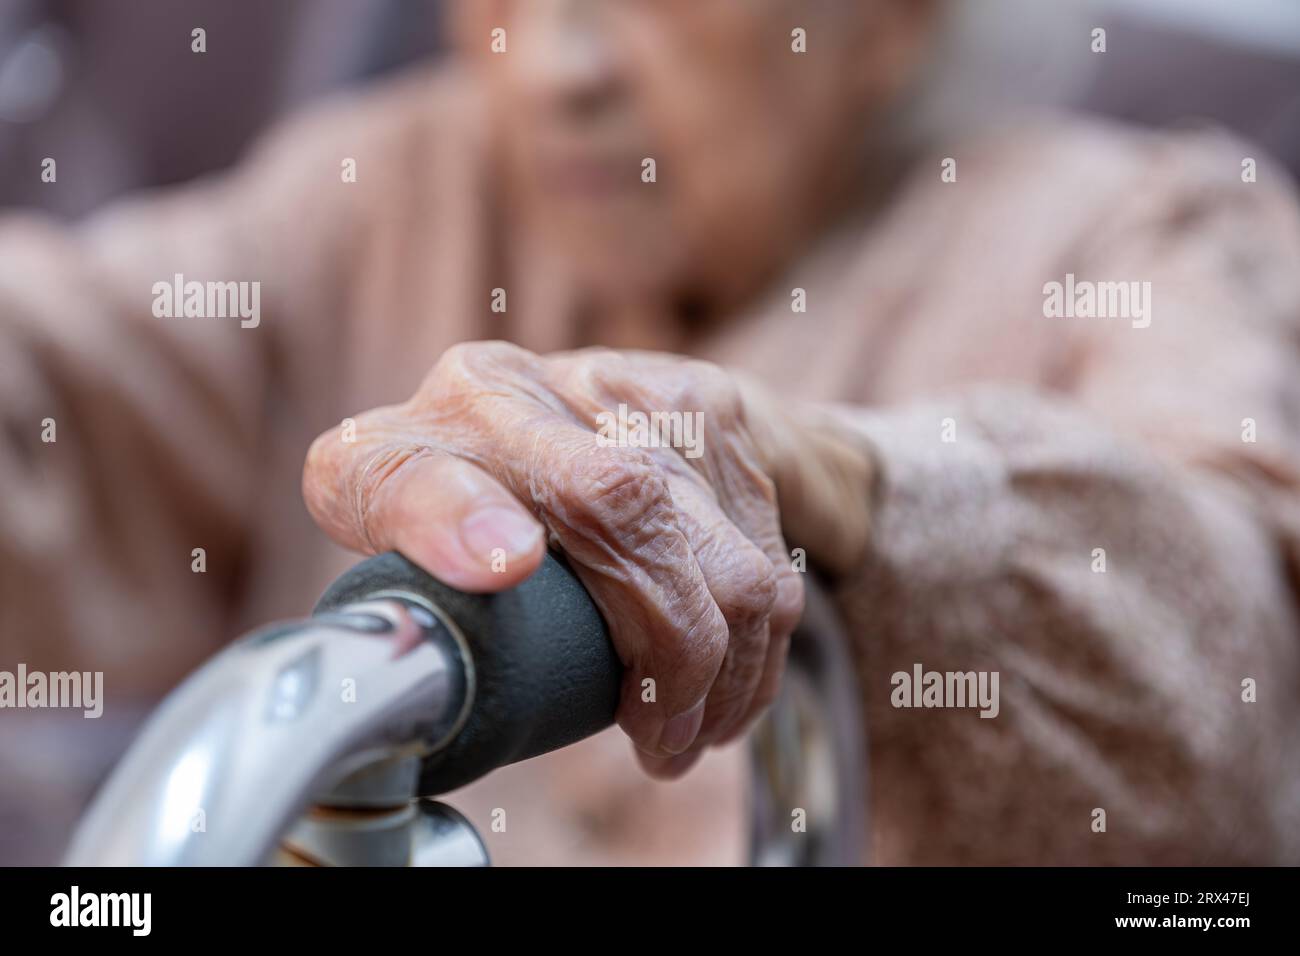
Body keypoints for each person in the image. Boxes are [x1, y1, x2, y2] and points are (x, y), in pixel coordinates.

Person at [2, 0, 1299, 865]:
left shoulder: (1147, 232)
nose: (552, 65)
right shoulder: (391, 191)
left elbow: (1224, 646)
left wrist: (840, 491)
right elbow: (66, 371)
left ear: (894, 21)